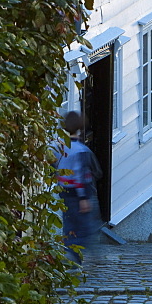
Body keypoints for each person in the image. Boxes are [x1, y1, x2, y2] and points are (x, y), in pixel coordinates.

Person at [54, 111, 101, 265]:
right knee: (85, 227)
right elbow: (81, 175)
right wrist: (83, 198)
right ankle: (76, 255)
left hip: (64, 191)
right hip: (79, 192)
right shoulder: (81, 150)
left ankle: (71, 254)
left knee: (69, 224)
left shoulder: (60, 147)